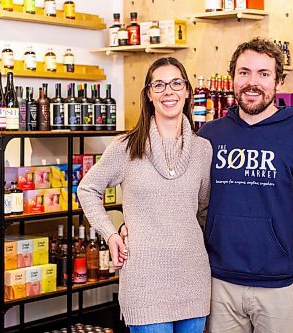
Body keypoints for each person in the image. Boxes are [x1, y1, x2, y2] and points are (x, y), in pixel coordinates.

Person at [198, 37, 293, 333]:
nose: (252, 82)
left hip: (281, 288)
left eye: (263, 74)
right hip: (219, 284)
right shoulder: (209, 136)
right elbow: (189, 201)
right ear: (232, 77)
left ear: (278, 81)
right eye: (244, 72)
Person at [77, 57, 212, 333]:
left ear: (187, 91)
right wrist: (112, 233)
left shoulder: (203, 150)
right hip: (145, 282)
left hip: (193, 279)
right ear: (149, 95)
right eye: (159, 85)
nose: (168, 92)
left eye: (176, 83)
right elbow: (87, 189)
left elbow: (204, 211)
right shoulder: (126, 147)